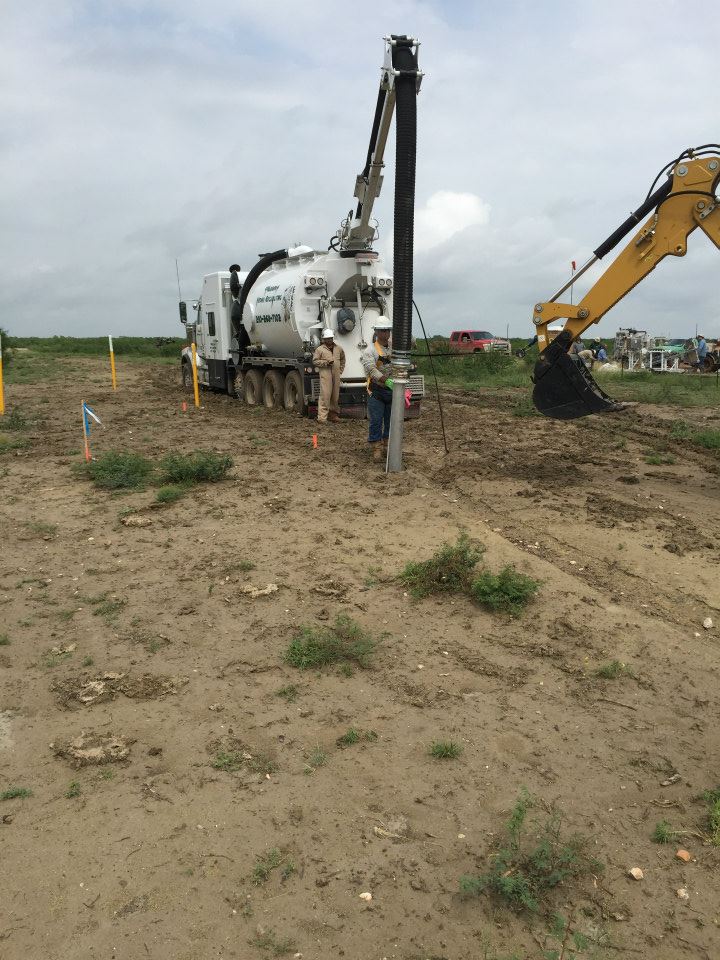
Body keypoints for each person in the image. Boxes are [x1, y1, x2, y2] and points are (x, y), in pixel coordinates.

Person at [361, 317, 394, 462]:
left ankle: (388, 446)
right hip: (377, 391)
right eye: (382, 330)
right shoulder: (370, 351)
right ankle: (376, 449)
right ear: (376, 331)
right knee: (376, 421)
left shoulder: (393, 347)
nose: (385, 333)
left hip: (392, 391)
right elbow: (371, 370)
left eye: (387, 330)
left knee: (390, 420)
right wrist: (386, 380)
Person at [312, 329, 345, 422]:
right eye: (327, 338)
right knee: (325, 395)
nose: (329, 340)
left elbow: (343, 359)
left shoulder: (338, 348)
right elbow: (315, 361)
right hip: (325, 374)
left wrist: (340, 370)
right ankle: (322, 418)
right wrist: (326, 363)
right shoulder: (320, 349)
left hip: (336, 375)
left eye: (330, 338)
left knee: (335, 396)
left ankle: (333, 416)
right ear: (324, 339)